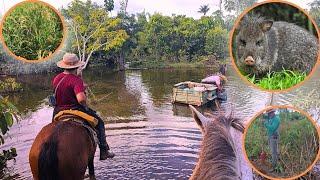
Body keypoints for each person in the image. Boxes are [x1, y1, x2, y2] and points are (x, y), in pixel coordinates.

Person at [52, 53, 115, 160]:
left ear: (64, 65)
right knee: (100, 123)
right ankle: (104, 151)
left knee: (53, 129)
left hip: (58, 110)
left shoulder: (57, 78)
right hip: (75, 109)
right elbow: (80, 98)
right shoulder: (76, 80)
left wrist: (80, 83)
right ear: (76, 67)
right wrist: (85, 104)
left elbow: (65, 88)